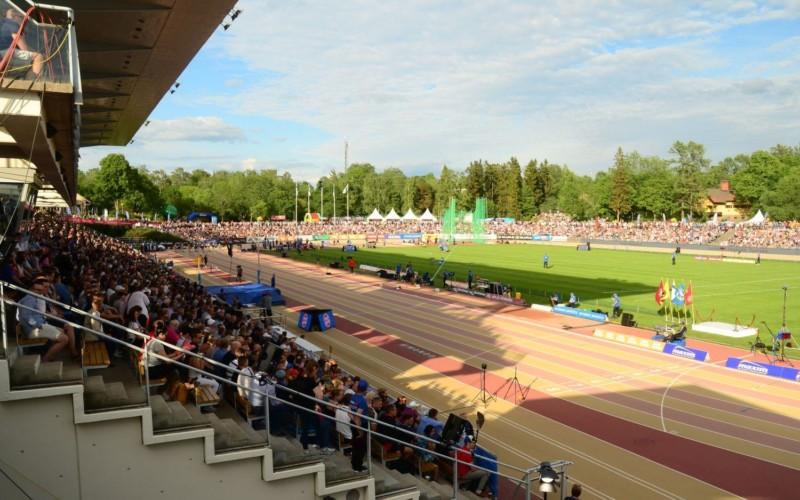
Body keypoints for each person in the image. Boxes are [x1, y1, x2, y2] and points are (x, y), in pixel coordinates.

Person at [17, 275, 78, 361]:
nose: (44, 290)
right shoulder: (29, 299)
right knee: (64, 339)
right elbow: (25, 316)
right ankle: (46, 359)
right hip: (34, 329)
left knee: (63, 331)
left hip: (41, 325)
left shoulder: (33, 298)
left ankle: (51, 355)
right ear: (35, 288)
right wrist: (39, 325)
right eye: (41, 288)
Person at [0, 9, 44, 77]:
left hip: (3, 55)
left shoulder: (2, 22)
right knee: (38, 57)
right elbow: (17, 38)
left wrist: (30, 52)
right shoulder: (12, 23)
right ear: (14, 16)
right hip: (6, 53)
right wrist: (27, 53)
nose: (22, 20)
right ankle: (35, 83)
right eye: (21, 17)